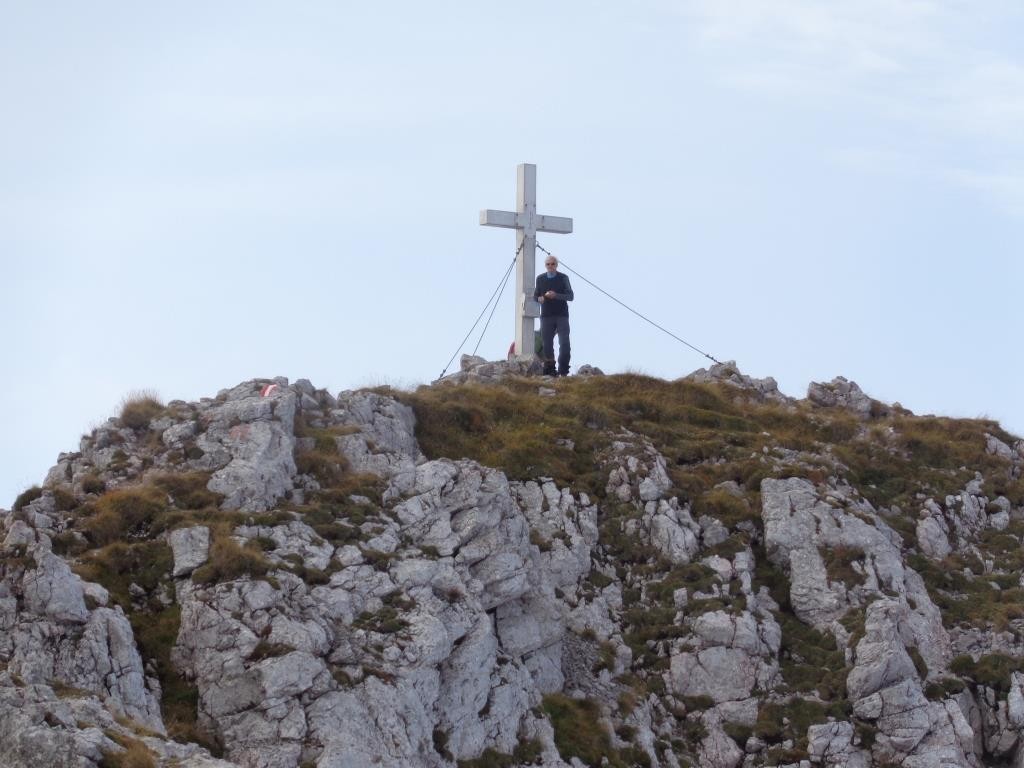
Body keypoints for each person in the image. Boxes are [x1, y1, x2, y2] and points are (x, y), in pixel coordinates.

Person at [534, 255, 574, 376]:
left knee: (565, 343)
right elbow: (536, 295)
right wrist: (539, 298)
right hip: (546, 315)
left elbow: (570, 296)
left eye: (553, 264)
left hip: (561, 315)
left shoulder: (563, 278)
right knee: (547, 344)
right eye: (548, 264)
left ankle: (563, 370)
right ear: (545, 266)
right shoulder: (540, 278)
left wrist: (556, 295)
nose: (550, 266)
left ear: (556, 265)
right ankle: (550, 369)